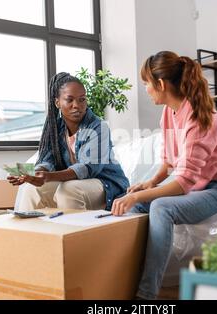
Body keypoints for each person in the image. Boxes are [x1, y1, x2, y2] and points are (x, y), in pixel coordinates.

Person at [111, 51, 217, 299]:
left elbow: (183, 182)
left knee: (160, 207)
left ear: (160, 84)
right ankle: (120, 282)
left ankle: (146, 295)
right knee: (128, 201)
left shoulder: (200, 119)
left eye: (146, 84)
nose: (146, 90)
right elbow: (169, 162)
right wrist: (148, 184)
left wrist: (143, 197)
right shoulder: (168, 113)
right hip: (198, 186)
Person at [9, 72, 129, 211]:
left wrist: (48, 176)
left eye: (82, 99)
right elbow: (47, 161)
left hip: (106, 184)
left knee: (68, 189)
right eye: (69, 100)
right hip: (77, 184)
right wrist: (33, 175)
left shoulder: (98, 126)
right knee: (31, 189)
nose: (76, 105)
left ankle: (73, 231)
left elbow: (89, 168)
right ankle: (29, 232)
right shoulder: (54, 129)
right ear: (57, 102)